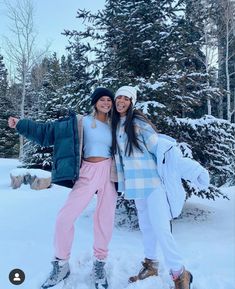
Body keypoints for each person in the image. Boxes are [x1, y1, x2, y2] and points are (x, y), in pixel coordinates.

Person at [8, 87, 118, 289]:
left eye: (109, 100)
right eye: (102, 99)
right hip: (87, 171)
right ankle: (61, 263)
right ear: (95, 102)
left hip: (109, 173)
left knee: (104, 220)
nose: (106, 103)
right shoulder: (80, 122)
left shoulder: (116, 124)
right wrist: (21, 125)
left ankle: (100, 263)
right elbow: (47, 132)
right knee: (64, 218)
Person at [111, 85, 209, 289]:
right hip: (136, 188)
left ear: (132, 103)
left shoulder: (137, 123)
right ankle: (151, 264)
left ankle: (180, 273)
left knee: (161, 229)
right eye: (118, 97)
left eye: (126, 98)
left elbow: (165, 153)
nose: (121, 101)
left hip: (153, 185)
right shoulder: (116, 126)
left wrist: (194, 170)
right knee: (147, 228)